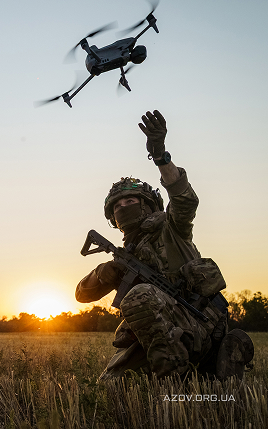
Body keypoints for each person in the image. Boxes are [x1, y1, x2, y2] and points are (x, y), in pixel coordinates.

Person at [75, 110, 252, 380]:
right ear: (113, 219)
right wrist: (104, 273)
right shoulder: (124, 256)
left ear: (148, 204)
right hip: (160, 337)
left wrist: (160, 156)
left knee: (140, 296)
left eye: (131, 201)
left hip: (200, 323)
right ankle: (194, 372)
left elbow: (184, 200)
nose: (124, 208)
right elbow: (81, 295)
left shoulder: (172, 228)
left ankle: (176, 383)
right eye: (118, 206)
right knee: (110, 387)